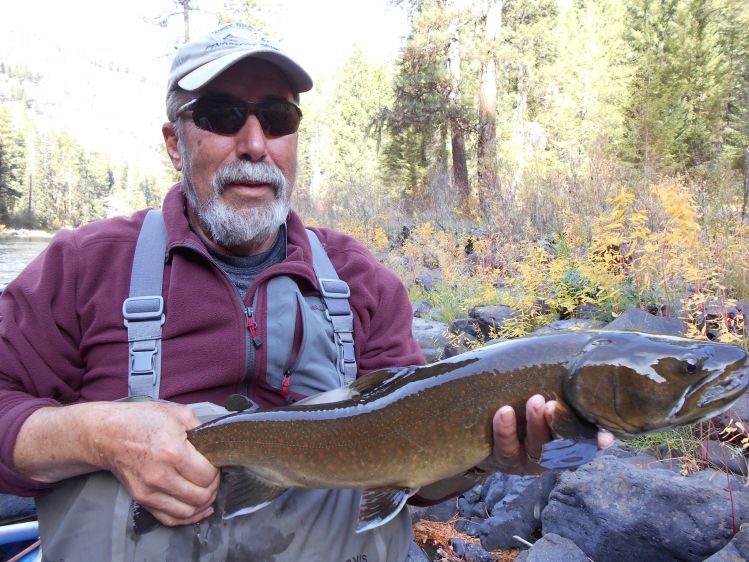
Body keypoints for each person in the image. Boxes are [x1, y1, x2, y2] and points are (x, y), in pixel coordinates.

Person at [0, 23, 611, 561]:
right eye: (219, 115)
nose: (255, 143)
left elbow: (415, 480)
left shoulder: (362, 280)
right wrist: (100, 435)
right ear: (173, 141)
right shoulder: (81, 266)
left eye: (278, 117)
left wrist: (485, 454)